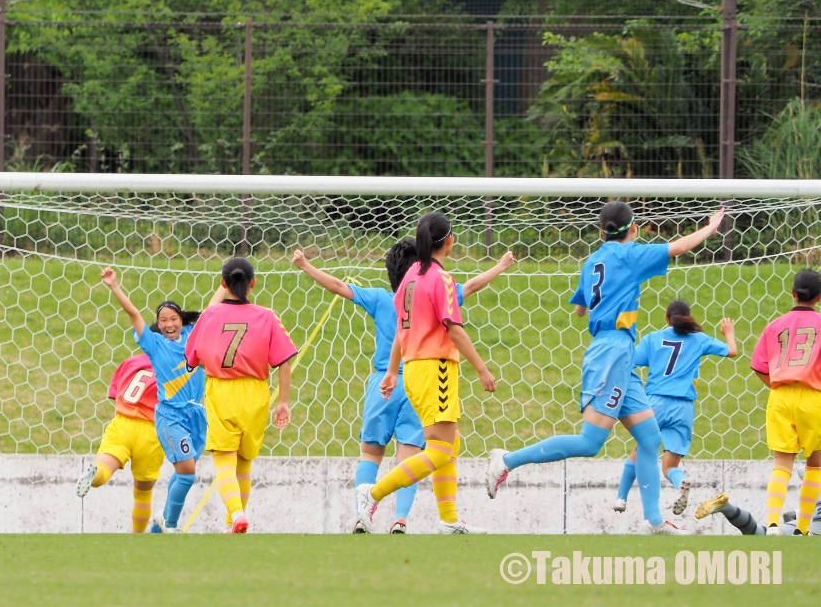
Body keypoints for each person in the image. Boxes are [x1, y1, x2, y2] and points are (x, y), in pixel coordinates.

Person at [486, 201, 724, 535]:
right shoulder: (630, 255)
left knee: (650, 437)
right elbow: (680, 247)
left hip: (620, 352)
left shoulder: (593, 260)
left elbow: (580, 309)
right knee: (590, 442)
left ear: (601, 233)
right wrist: (711, 227)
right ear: (634, 228)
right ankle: (506, 460)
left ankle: (654, 521)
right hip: (611, 351)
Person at [291, 240, 516, 533]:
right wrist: (500, 266)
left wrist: (306, 265)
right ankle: (400, 519)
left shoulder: (381, 298)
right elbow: (471, 286)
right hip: (418, 380)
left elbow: (338, 286)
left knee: (370, 454)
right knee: (414, 455)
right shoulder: (432, 291)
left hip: (383, 383)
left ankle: (361, 516)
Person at [362, 213, 499, 534]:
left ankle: (448, 519)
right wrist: (482, 369)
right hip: (436, 369)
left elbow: (401, 328)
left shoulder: (410, 277)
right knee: (440, 450)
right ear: (449, 241)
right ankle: (373, 494)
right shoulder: (441, 279)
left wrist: (392, 372)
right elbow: (454, 328)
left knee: (450, 443)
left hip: (414, 369)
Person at [99, 267, 222, 532]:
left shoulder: (192, 336)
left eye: (173, 318)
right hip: (170, 413)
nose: (168, 324)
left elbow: (211, 310)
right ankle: (170, 523)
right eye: (163, 320)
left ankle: (159, 527)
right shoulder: (154, 344)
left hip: (195, 414)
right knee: (187, 473)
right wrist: (114, 286)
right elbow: (134, 314)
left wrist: (226, 283)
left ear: (181, 320)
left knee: (185, 472)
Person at [183, 256, 297, 534]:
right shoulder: (267, 316)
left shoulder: (210, 315)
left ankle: (236, 514)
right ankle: (232, 524)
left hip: (222, 392)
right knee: (244, 461)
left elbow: (192, 357)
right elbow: (284, 361)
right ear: (253, 283)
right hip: (255, 393)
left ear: (223, 283)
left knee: (224, 459)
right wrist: (282, 402)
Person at [613, 300, 736, 517]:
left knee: (640, 451)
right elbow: (732, 351)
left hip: (655, 404)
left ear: (666, 318)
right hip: (683, 408)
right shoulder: (698, 339)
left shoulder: (653, 338)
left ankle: (621, 498)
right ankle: (681, 483)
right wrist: (728, 332)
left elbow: (629, 363)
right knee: (669, 466)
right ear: (688, 317)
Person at [747, 268, 821, 535]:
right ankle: (802, 528)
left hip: (780, 396)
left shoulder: (775, 325)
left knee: (781, 464)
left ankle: (773, 524)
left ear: (792, 293)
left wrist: (777, 384)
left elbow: (758, 366)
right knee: (815, 465)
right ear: (819, 297)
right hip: (813, 398)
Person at [75, 353, 165, 533]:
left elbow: (116, 395)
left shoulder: (130, 362)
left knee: (104, 466)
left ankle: (95, 475)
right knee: (143, 493)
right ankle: (136, 537)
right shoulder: (171, 365)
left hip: (123, 422)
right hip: (151, 430)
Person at [696, 493, 810, 535]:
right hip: (805, 531)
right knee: (754, 533)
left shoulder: (812, 509)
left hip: (792, 527)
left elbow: (788, 514)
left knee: (756, 531)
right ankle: (726, 507)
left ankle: (727, 507)